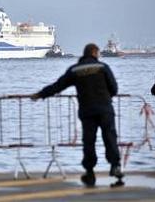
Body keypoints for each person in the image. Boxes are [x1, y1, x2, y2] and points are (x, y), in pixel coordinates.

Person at [31, 43, 123, 186]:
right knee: (110, 137)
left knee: (89, 141)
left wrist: (40, 94)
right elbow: (114, 89)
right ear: (94, 52)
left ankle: (90, 172)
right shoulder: (103, 67)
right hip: (105, 110)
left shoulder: (75, 70)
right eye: (98, 53)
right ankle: (115, 166)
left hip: (87, 111)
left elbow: (57, 86)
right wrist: (105, 98)